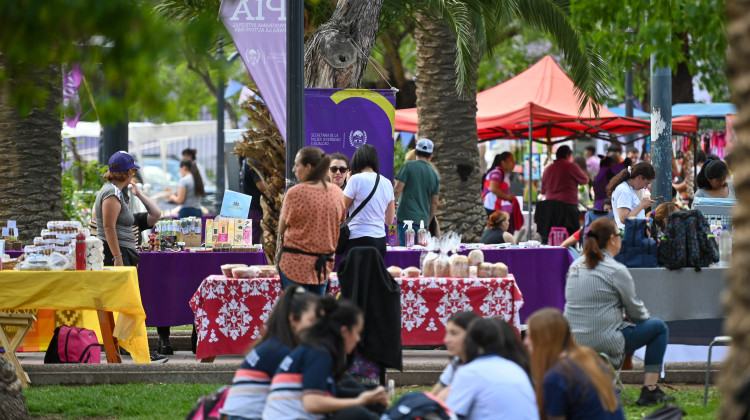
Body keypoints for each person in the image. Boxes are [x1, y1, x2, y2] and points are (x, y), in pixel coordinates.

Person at [563, 217, 674, 406]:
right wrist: (633, 319)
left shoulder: (575, 266)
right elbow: (638, 313)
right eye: (620, 234)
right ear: (612, 240)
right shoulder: (616, 269)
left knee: (624, 324)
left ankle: (605, 383)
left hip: (572, 341)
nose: (622, 238)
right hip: (603, 340)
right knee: (658, 327)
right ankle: (650, 389)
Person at [93, 151, 167, 363]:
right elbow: (108, 227)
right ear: (129, 172)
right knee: (129, 304)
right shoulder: (111, 194)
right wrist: (117, 256)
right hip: (117, 252)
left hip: (124, 251)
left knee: (128, 305)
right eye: (133, 170)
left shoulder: (119, 192)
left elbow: (156, 214)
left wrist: (139, 194)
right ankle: (136, 350)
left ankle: (131, 348)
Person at [262, 297, 388, 420]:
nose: (358, 339)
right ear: (344, 331)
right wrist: (359, 401)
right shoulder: (319, 352)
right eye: (356, 332)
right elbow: (312, 403)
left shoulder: (316, 348)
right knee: (357, 413)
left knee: (357, 393)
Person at [221, 287, 320, 420]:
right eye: (312, 321)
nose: (317, 327)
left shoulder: (272, 344)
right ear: (293, 319)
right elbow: (310, 395)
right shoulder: (280, 352)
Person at [526, 308, 624, 420]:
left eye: (530, 335)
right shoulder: (589, 359)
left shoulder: (556, 377)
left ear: (544, 339)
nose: (526, 341)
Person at [278, 147, 346, 294]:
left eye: (297, 165)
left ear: (308, 167)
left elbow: (281, 229)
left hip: (295, 265)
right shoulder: (337, 193)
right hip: (323, 266)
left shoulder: (295, 193)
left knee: (297, 313)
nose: (294, 170)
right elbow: (340, 220)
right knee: (316, 312)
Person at [446, 317, 537, 420]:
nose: (446, 340)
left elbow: (451, 415)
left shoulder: (470, 372)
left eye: (454, 334)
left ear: (469, 341)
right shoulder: (515, 368)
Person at [342, 145, 395, 258]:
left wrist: (348, 182)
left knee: (355, 275)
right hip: (380, 240)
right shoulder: (387, 183)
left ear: (357, 160)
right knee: (373, 275)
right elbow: (389, 220)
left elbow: (340, 208)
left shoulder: (355, 179)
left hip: (358, 238)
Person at [394, 139, 440, 245]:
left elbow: (397, 190)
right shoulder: (434, 174)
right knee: (419, 255)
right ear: (430, 155)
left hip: (404, 219)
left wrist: (390, 210)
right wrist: (427, 222)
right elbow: (434, 203)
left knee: (406, 254)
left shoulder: (408, 167)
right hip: (422, 222)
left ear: (415, 152)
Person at [430, 311, 480, 401]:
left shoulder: (481, 366)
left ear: (471, 335)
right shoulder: (458, 360)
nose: (446, 340)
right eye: (447, 333)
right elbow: (435, 394)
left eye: (454, 333)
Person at [606, 162, 656, 230]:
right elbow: (624, 219)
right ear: (639, 177)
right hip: (629, 234)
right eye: (646, 183)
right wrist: (642, 205)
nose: (645, 187)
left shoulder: (629, 189)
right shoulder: (624, 190)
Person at [241, 157, 268, 245]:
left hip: (250, 207)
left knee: (249, 241)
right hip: (256, 208)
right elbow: (261, 185)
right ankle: (250, 258)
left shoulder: (246, 161)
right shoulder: (253, 161)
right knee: (251, 242)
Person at [482, 152, 516, 219]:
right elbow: (493, 188)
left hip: (497, 208)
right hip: (492, 207)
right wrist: (507, 197)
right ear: (503, 163)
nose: (513, 163)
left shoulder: (503, 173)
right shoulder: (497, 172)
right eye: (511, 160)